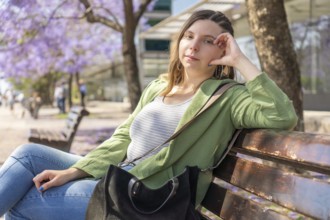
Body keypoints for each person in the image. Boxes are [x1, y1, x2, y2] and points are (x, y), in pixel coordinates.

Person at [0, 10, 298, 219]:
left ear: (221, 51)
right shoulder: (159, 86)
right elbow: (122, 139)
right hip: (120, 174)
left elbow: (282, 116)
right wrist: (74, 172)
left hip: (145, 198)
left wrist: (240, 58)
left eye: (209, 41)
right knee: (27, 157)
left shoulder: (227, 97)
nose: (193, 45)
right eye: (189, 35)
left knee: (25, 201)